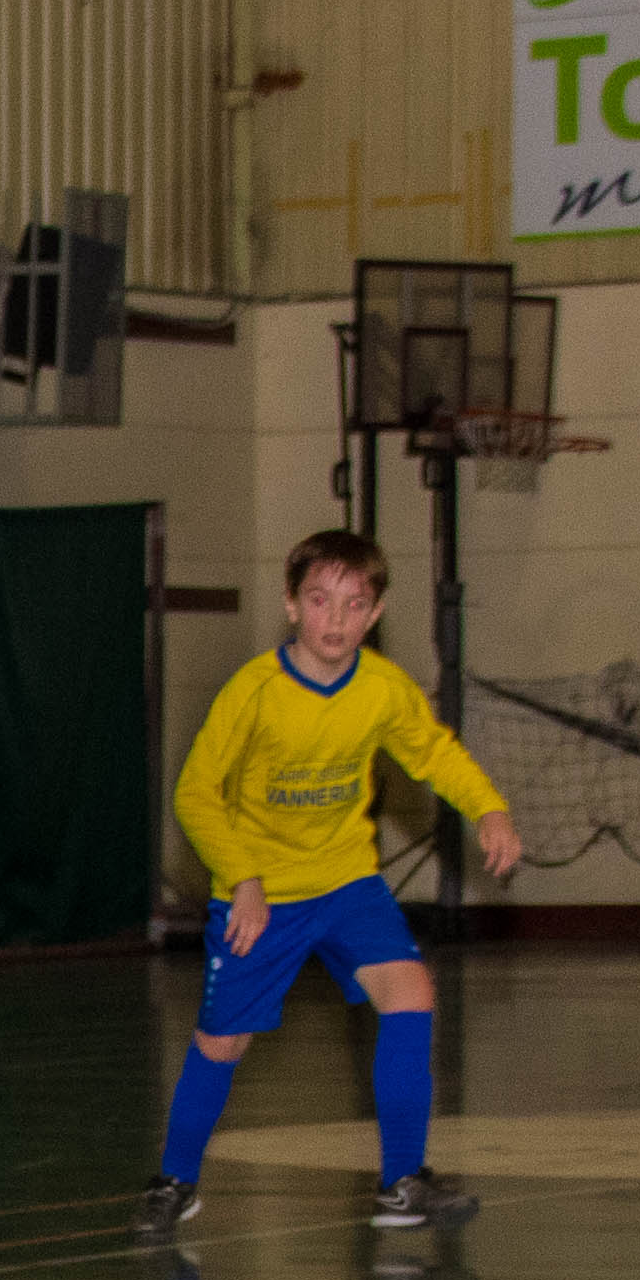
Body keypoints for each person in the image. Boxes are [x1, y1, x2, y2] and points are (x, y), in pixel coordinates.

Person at [142, 526, 524, 1240]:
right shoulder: (254, 692)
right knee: (222, 1042)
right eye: (319, 600)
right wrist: (244, 879)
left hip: (347, 884)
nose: (335, 619)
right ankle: (174, 1181)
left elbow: (433, 753)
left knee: (410, 993)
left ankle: (402, 1184)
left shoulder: (382, 688)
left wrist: (489, 808)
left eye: (353, 605)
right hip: (261, 892)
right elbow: (195, 793)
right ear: (291, 605)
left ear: (375, 614)